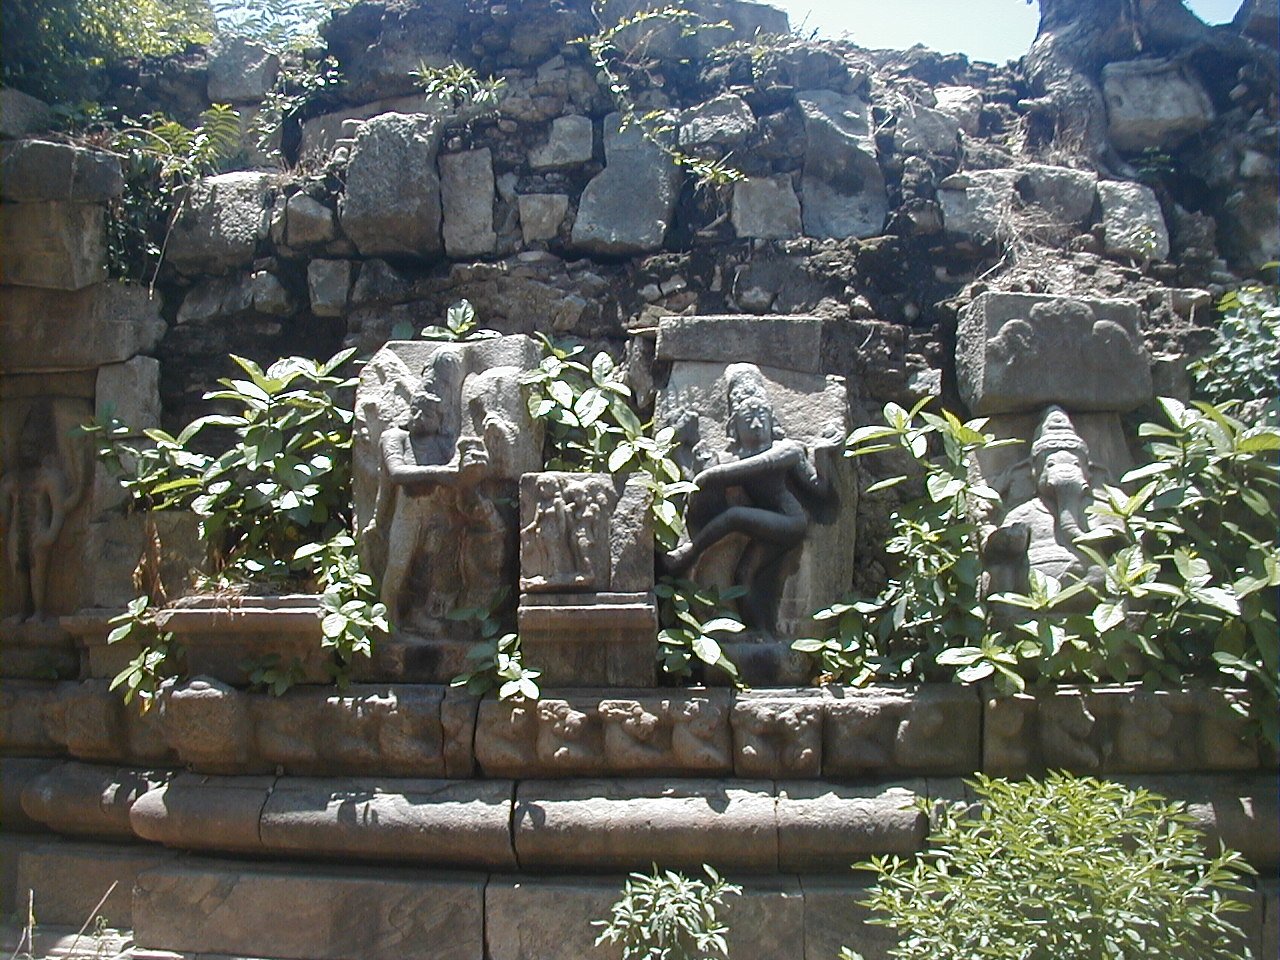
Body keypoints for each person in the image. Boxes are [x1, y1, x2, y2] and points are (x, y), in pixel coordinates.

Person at [664, 363, 835, 633]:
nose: (756, 424)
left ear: (772, 421)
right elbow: (700, 489)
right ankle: (761, 634)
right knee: (743, 576)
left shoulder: (785, 450)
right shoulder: (734, 460)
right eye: (747, 419)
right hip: (767, 527)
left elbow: (818, 488)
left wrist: (827, 454)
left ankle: (688, 553)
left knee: (735, 518)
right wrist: (689, 443)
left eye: (761, 416)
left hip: (791, 522)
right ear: (734, 427)